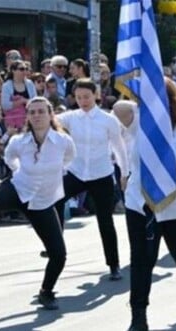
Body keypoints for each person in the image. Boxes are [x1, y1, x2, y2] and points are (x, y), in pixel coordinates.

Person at [121, 79, 176, 331]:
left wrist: (162, 172)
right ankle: (138, 319)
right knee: (141, 261)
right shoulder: (139, 121)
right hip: (141, 203)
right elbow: (119, 108)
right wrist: (138, 83)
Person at [0, 96, 75, 309]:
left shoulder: (63, 141)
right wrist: (19, 173)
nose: (37, 116)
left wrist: (54, 174)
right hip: (17, 189)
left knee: (58, 254)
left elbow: (69, 159)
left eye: (41, 111)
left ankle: (46, 292)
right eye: (33, 112)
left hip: (43, 200)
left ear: (51, 115)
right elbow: (10, 159)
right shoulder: (18, 141)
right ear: (27, 117)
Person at [54, 78, 129, 280]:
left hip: (101, 174)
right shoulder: (71, 117)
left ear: (96, 95)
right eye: (78, 97)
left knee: (105, 220)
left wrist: (124, 173)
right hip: (76, 172)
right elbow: (51, 121)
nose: (83, 101)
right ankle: (55, 244)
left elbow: (119, 148)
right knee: (54, 200)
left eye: (86, 96)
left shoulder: (108, 120)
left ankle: (113, 264)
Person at [0, 60, 37, 130]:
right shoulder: (6, 85)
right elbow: (5, 105)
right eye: (21, 69)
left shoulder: (30, 83)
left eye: (26, 69)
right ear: (13, 70)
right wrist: (21, 102)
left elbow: (35, 101)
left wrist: (24, 100)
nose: (25, 71)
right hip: (13, 122)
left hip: (29, 119)